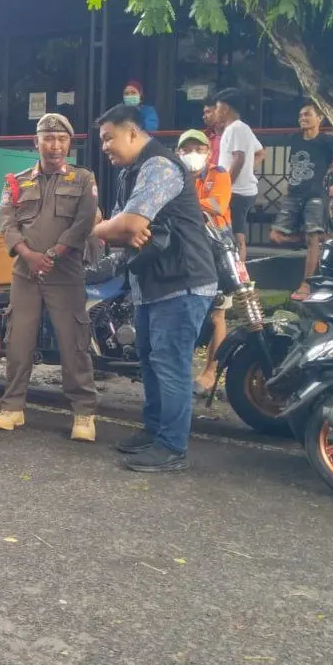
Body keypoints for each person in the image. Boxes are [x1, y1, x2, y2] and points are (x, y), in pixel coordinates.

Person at [93, 105, 219, 472]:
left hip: (182, 283)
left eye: (107, 138)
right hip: (152, 284)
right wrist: (121, 229)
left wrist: (105, 229)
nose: (104, 146)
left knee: (170, 363)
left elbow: (125, 224)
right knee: (148, 360)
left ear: (132, 133)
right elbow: (122, 229)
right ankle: (154, 431)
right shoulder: (129, 172)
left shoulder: (159, 166)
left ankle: (171, 446)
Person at [0, 113, 100, 440]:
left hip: (65, 273)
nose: (55, 146)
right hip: (25, 273)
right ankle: (12, 407)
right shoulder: (16, 180)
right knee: (18, 341)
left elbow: (84, 223)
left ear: (69, 144)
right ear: (35, 142)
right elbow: (7, 223)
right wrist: (30, 256)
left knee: (74, 343)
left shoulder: (83, 179)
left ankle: (83, 412)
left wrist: (53, 255)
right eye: (48, 139)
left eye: (61, 139)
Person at [272, 102, 333, 301]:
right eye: (300, 115)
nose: (302, 118)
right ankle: (324, 240)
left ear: (320, 118)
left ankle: (307, 283)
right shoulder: (293, 139)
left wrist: (330, 170)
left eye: (307, 114)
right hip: (293, 195)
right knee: (276, 236)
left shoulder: (326, 141)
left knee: (312, 239)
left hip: (315, 195)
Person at [177, 129, 232, 395]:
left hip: (217, 245)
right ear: (178, 153)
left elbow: (217, 205)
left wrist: (186, 203)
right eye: (187, 149)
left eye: (198, 149)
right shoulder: (175, 175)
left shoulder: (218, 173)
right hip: (187, 247)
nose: (193, 154)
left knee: (218, 311)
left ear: (208, 152)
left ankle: (211, 374)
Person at [211, 88, 262, 263]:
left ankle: (240, 278)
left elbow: (239, 158)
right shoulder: (241, 128)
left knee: (236, 234)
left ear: (225, 108)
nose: (215, 112)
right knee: (231, 232)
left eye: (217, 108)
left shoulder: (236, 128)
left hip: (236, 192)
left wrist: (225, 185)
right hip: (237, 190)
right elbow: (260, 152)